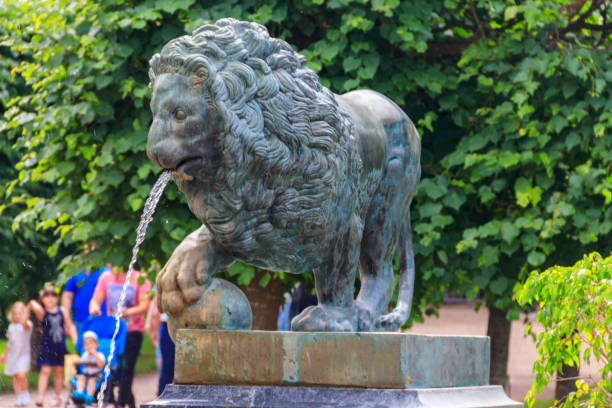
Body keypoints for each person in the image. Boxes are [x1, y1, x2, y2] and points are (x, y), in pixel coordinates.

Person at [89, 266, 151, 408]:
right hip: (113, 332)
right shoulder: (105, 277)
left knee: (126, 368)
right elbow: (95, 300)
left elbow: (144, 305)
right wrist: (94, 308)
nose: (110, 266)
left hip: (132, 330)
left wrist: (127, 311)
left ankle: (122, 402)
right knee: (112, 368)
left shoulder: (140, 277)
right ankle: (124, 400)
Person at [28, 284, 77, 407]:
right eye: (47, 296)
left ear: (57, 298)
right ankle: (40, 397)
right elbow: (32, 304)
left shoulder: (62, 311)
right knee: (45, 371)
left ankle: (57, 396)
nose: (50, 299)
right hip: (46, 347)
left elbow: (70, 325)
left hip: (59, 346)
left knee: (58, 372)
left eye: (53, 295)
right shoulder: (42, 313)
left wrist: (75, 339)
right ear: (43, 299)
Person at [62, 254, 109, 335]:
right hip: (80, 320)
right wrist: (67, 321)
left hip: (104, 319)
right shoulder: (75, 269)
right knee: (82, 346)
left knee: (104, 346)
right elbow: (67, 296)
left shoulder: (106, 270)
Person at [0, 301, 33, 406]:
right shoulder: (11, 327)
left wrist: (27, 311)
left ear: (24, 314)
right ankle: (19, 396)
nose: (17, 316)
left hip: (23, 355)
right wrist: (4, 354)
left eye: (20, 313)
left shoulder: (27, 325)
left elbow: (26, 324)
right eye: (15, 314)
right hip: (12, 356)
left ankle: (25, 392)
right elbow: (9, 342)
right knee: (14, 376)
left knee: (21, 374)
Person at [144, 294, 174, 396]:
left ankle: (164, 394)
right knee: (167, 364)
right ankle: (162, 395)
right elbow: (159, 310)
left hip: (173, 324)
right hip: (167, 324)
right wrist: (155, 329)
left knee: (168, 365)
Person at [72, 331, 105, 406]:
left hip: (95, 376)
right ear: (84, 346)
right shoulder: (85, 355)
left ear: (97, 345)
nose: (89, 346)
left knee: (91, 381)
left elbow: (102, 364)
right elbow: (80, 360)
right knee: (80, 379)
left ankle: (89, 396)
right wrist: (75, 361)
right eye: (86, 344)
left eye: (91, 343)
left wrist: (95, 354)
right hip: (85, 375)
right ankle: (80, 392)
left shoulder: (100, 355)